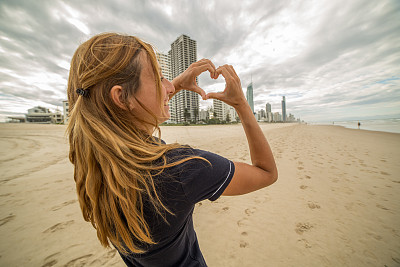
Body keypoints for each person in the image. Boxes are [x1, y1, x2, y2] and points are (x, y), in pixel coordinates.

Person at [67, 33, 277, 267]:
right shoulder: (181, 169)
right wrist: (241, 103)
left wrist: (178, 83)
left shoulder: (95, 158)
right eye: (159, 78)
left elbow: (132, 112)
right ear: (121, 97)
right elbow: (266, 172)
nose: (169, 86)